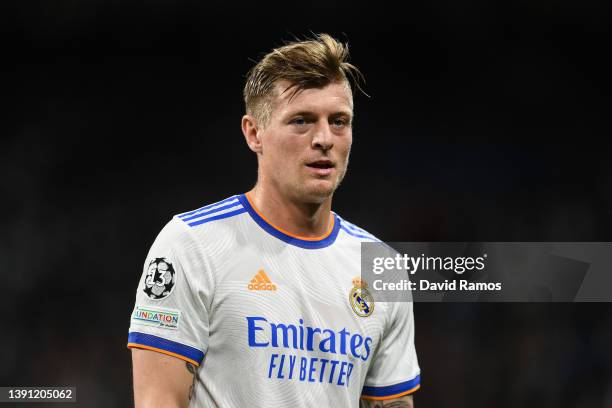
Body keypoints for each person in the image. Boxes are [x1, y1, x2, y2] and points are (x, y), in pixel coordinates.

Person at [127, 33, 420, 408]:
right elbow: (159, 401)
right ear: (254, 133)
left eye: (339, 121)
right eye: (301, 121)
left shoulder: (382, 268)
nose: (324, 139)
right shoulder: (192, 245)